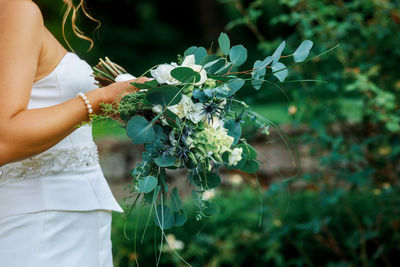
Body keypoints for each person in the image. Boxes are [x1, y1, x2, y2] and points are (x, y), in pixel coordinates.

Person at [0, 0, 147, 266]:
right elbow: (4, 138)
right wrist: (99, 100)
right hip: (43, 222)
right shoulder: (13, 9)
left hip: (62, 216)